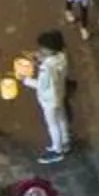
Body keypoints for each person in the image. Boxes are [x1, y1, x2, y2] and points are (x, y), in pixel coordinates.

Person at [33, 31, 72, 162]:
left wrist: (25, 80)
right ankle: (65, 141)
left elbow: (41, 85)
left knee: (52, 124)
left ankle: (57, 150)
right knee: (62, 118)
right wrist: (41, 60)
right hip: (60, 93)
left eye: (43, 48)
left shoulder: (46, 66)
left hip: (49, 99)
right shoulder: (62, 57)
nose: (41, 50)